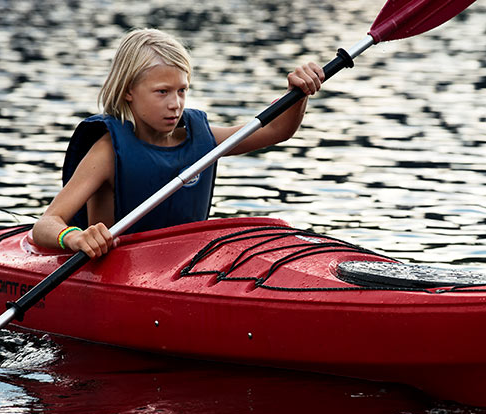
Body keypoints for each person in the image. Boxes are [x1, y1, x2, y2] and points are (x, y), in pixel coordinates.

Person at [32, 28, 324, 258]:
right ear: (127, 92)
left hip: (183, 267)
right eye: (162, 92)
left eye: (182, 90)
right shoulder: (108, 152)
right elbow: (46, 224)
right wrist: (74, 237)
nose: (176, 104)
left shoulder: (201, 139)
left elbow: (275, 129)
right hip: (116, 270)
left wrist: (298, 95)